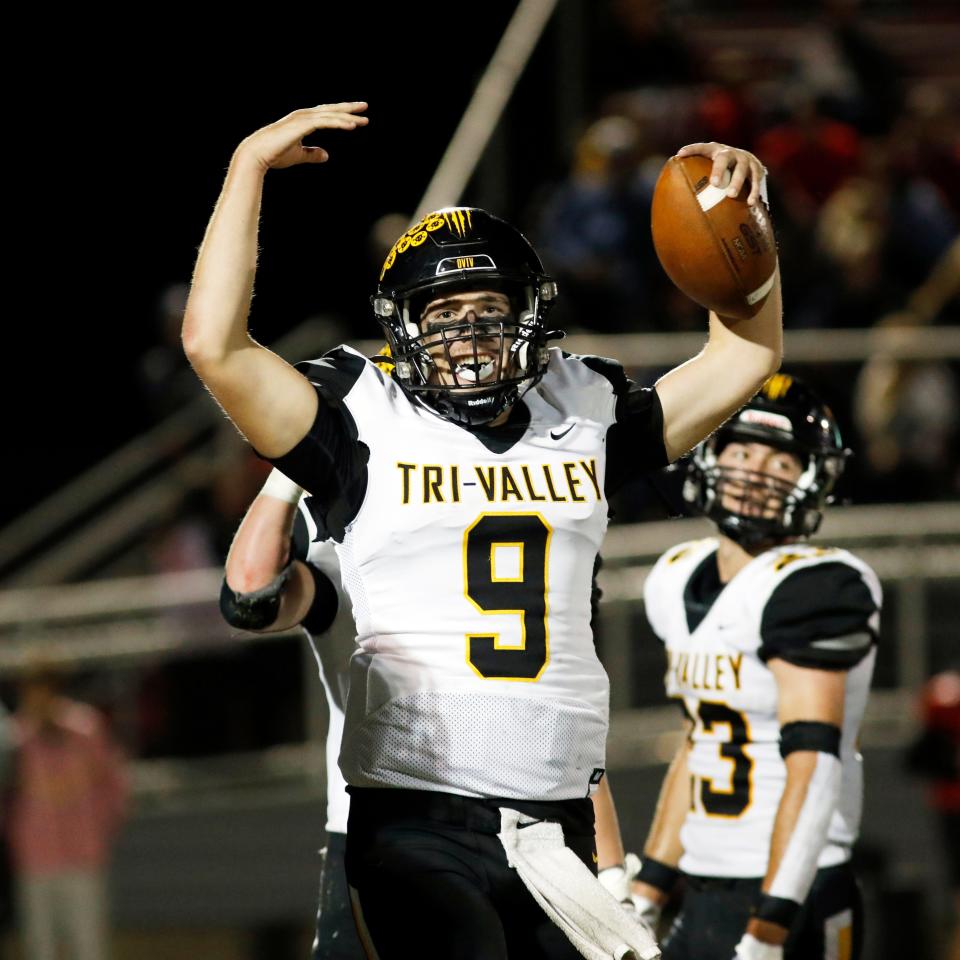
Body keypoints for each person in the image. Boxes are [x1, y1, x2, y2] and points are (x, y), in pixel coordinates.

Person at [181, 100, 782, 958]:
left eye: (488, 306)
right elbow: (214, 346)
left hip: (556, 820)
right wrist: (245, 168)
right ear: (402, 328)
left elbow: (746, 356)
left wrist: (743, 231)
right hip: (415, 815)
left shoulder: (585, 410)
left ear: (530, 315)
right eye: (443, 310)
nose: (467, 331)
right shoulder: (362, 415)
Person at [629, 374, 882, 960]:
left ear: (812, 479)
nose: (753, 473)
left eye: (780, 463)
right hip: (704, 881)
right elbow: (699, 744)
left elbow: (814, 764)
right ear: (711, 459)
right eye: (740, 450)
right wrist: (650, 885)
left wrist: (772, 922)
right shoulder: (675, 575)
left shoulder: (820, 585)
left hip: (798, 885)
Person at [220, 467, 362, 960]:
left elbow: (558, 692)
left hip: (508, 815)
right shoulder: (335, 529)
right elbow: (247, 598)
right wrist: (292, 466)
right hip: (375, 826)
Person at [5, 662, 128, 960]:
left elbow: (114, 781)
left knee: (88, 944)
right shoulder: (14, 736)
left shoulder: (85, 727)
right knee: (40, 944)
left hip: (82, 853)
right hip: (34, 856)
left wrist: (101, 828)